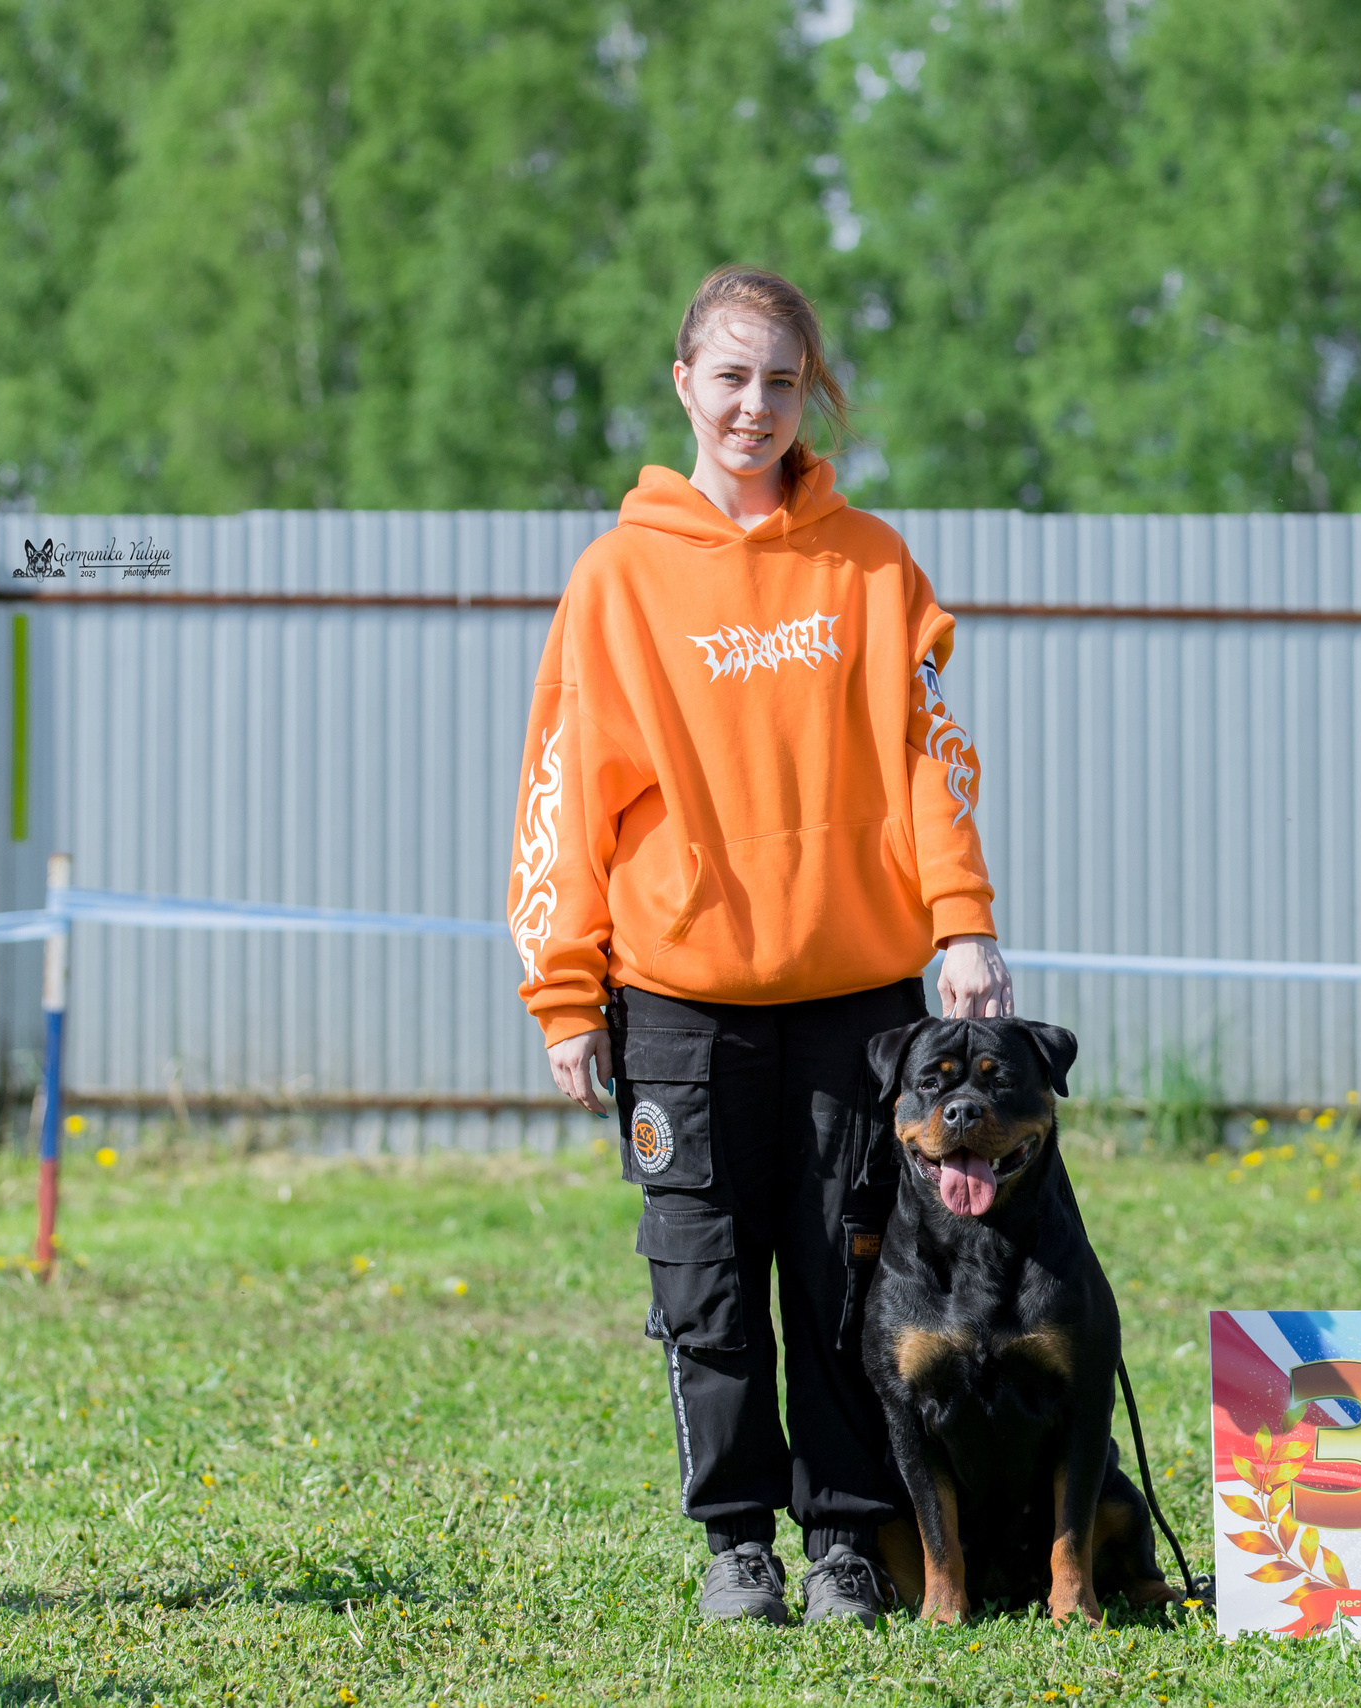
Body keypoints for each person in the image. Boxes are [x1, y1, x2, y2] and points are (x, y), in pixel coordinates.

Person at [506, 265, 1013, 1629]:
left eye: (781, 381)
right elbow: (564, 799)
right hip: (679, 1002)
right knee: (707, 1286)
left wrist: (960, 924)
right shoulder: (618, 580)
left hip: (858, 998)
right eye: (729, 377)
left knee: (852, 1278)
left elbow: (930, 761)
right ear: (683, 384)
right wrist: (566, 992)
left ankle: (849, 1540)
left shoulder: (871, 563)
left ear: (811, 395)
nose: (753, 406)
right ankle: (738, 1544)